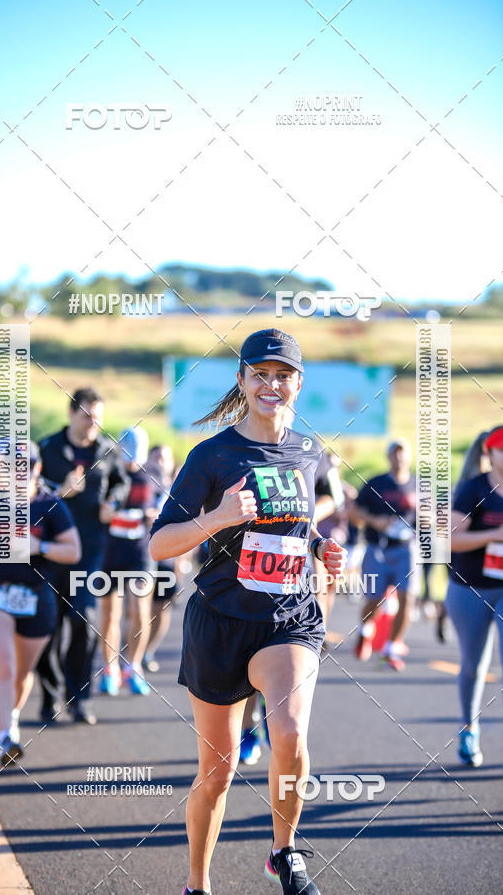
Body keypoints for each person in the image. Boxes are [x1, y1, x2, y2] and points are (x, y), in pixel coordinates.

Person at [149, 329, 345, 895]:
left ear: (298, 385)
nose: (271, 384)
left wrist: (318, 547)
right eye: (260, 373)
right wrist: (219, 517)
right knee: (219, 772)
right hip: (220, 622)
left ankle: (284, 852)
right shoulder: (212, 455)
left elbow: (295, 526)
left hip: (289, 618)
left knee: (289, 732)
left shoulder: (309, 452)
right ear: (241, 380)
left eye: (282, 375)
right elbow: (162, 544)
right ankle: (197, 884)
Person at [0, 442, 80, 767]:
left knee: (22, 674)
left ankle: (9, 717)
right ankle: (4, 739)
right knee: (5, 667)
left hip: (37, 597)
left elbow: (73, 552)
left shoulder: (50, 505)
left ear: (37, 469)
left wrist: (39, 544)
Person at [37, 388, 127, 724]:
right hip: (50, 553)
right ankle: (49, 696)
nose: (93, 425)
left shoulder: (107, 450)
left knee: (84, 623)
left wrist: (113, 503)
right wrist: (59, 491)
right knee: (47, 628)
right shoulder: (47, 448)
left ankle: (79, 699)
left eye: (98, 419)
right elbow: (27, 489)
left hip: (90, 553)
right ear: (71, 414)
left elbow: (120, 483)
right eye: (87, 417)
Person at [446, 424, 503, 771]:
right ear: (489, 453)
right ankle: (469, 729)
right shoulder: (472, 489)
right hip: (470, 587)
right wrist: (499, 534)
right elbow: (451, 540)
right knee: (473, 665)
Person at [98, 427, 158, 696]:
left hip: (141, 551)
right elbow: (98, 511)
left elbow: (166, 507)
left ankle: (133, 667)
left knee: (140, 611)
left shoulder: (153, 475)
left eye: (137, 456)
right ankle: (109, 668)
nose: (132, 461)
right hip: (110, 550)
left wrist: (156, 514)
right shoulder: (109, 473)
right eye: (128, 455)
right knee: (111, 614)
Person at [352, 438, 417, 671]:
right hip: (377, 548)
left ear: (409, 456)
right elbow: (354, 512)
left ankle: (391, 647)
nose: (399, 457)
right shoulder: (376, 483)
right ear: (388, 457)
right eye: (395, 453)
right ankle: (364, 631)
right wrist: (374, 521)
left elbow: (434, 517)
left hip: (406, 548)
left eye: (403, 453)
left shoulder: (418, 485)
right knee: (374, 599)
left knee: (407, 598)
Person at [143, 444, 179, 673]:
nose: (159, 461)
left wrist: (179, 567)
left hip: (167, 558)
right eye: (155, 456)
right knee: (138, 607)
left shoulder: (178, 490)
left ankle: (148, 650)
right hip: (141, 554)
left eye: (164, 457)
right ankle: (130, 650)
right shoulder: (141, 483)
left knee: (161, 608)